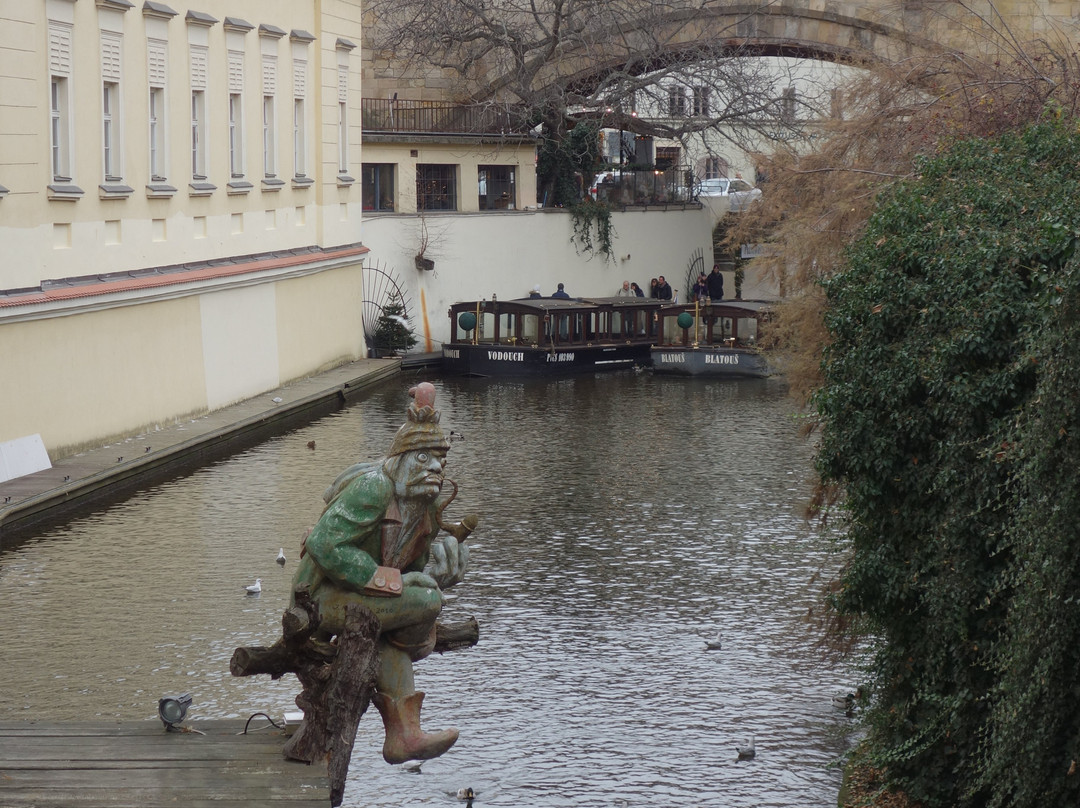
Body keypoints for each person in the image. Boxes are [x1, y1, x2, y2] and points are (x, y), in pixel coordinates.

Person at [291, 383, 475, 765]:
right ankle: (403, 732)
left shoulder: (425, 508)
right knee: (423, 599)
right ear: (401, 459)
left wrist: (441, 573)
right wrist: (390, 580)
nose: (437, 468)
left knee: (423, 595)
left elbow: (414, 573)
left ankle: (404, 736)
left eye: (441, 460)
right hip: (318, 597)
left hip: (363, 599)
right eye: (424, 457)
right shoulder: (376, 486)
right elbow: (326, 545)